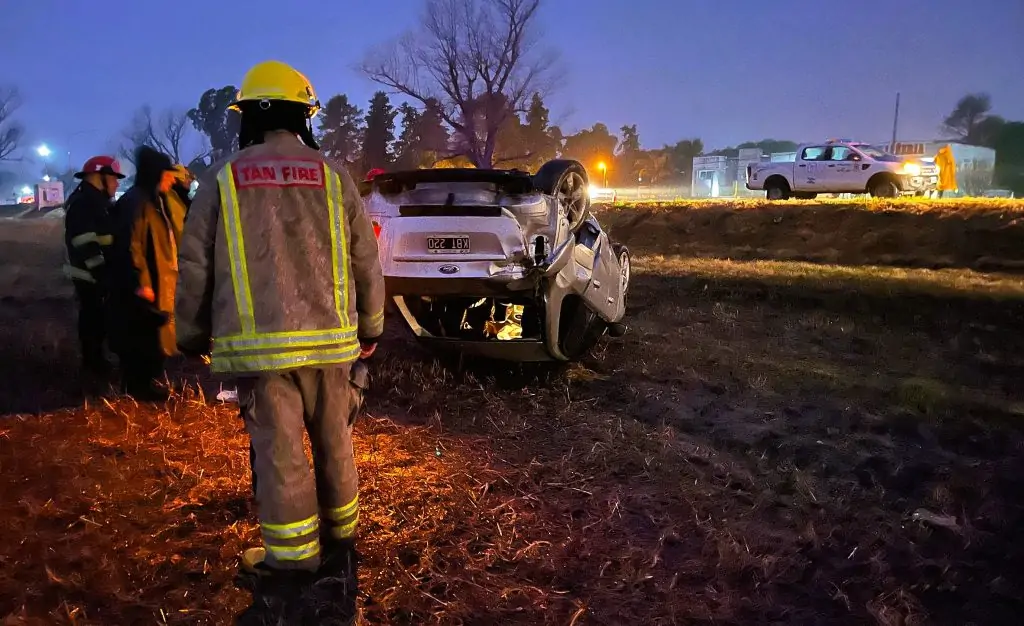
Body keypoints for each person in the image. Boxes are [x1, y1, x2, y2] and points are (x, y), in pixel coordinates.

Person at [174, 60, 385, 619]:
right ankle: (342, 538)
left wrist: (190, 333)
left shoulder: (223, 178)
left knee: (280, 452)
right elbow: (366, 260)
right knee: (334, 438)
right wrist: (372, 328)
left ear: (249, 117)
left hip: (262, 352)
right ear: (302, 115)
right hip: (333, 344)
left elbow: (195, 263)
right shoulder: (334, 176)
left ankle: (292, 563)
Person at [108, 146, 180, 399]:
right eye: (168, 174)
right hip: (145, 285)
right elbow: (131, 244)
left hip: (159, 280)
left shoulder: (152, 201)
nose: (173, 179)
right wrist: (141, 282)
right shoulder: (137, 203)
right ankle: (139, 388)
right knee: (141, 336)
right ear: (156, 174)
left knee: (153, 334)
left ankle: (146, 382)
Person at [62, 156, 125, 378]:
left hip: (96, 274)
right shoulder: (85, 203)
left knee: (97, 320)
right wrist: (102, 273)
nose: (117, 183)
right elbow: (84, 241)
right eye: (114, 178)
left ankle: (97, 361)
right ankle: (93, 366)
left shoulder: (95, 201)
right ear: (100, 177)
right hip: (90, 276)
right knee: (92, 320)